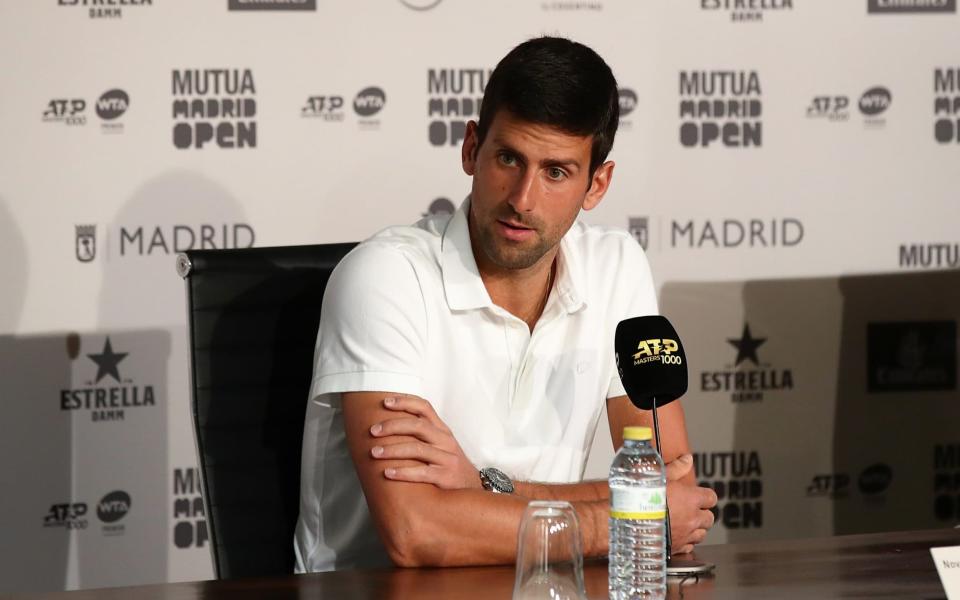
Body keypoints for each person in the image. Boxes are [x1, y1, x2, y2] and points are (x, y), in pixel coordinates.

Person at [294, 36, 717, 573]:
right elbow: (416, 531)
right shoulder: (386, 278)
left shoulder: (617, 267)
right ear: (472, 148)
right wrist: (622, 519)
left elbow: (669, 488)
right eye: (509, 159)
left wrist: (488, 486)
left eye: (556, 172)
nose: (522, 199)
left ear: (598, 183)